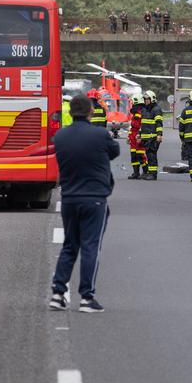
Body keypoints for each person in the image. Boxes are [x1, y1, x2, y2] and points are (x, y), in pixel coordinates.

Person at [49, 94, 120, 313]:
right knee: (90, 246)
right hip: (95, 199)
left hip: (69, 198)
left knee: (70, 246)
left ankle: (58, 294)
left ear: (70, 112)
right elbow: (114, 152)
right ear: (90, 112)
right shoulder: (100, 134)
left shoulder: (60, 137)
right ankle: (87, 297)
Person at [139, 90, 163, 179]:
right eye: (144, 99)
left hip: (153, 137)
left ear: (152, 99)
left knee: (152, 155)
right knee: (148, 156)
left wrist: (159, 135)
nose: (145, 101)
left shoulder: (156, 109)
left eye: (147, 99)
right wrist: (139, 134)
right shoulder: (144, 109)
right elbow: (143, 124)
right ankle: (150, 173)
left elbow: (159, 123)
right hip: (146, 137)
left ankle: (153, 174)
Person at [127, 94, 147, 179]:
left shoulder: (142, 112)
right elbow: (133, 127)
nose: (132, 104)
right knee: (133, 156)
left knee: (140, 155)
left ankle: (145, 172)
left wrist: (140, 136)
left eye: (133, 102)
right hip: (133, 137)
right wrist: (129, 136)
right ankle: (136, 173)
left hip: (138, 136)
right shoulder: (136, 113)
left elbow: (142, 126)